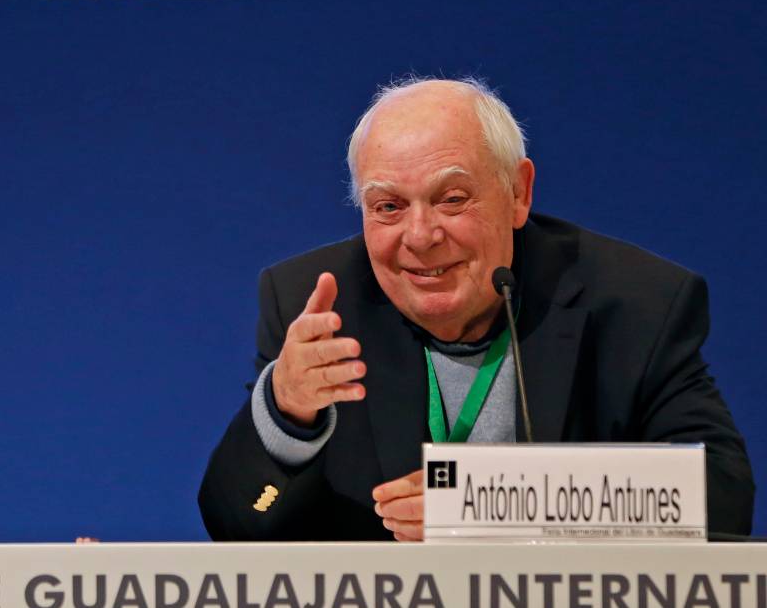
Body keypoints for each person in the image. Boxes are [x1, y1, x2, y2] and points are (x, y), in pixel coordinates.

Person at [197, 77, 754, 541]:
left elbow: (722, 501)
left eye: (452, 199)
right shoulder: (316, 307)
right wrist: (286, 410)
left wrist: (493, 505)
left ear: (518, 193)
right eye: (388, 206)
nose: (420, 236)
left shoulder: (633, 303)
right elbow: (235, 526)